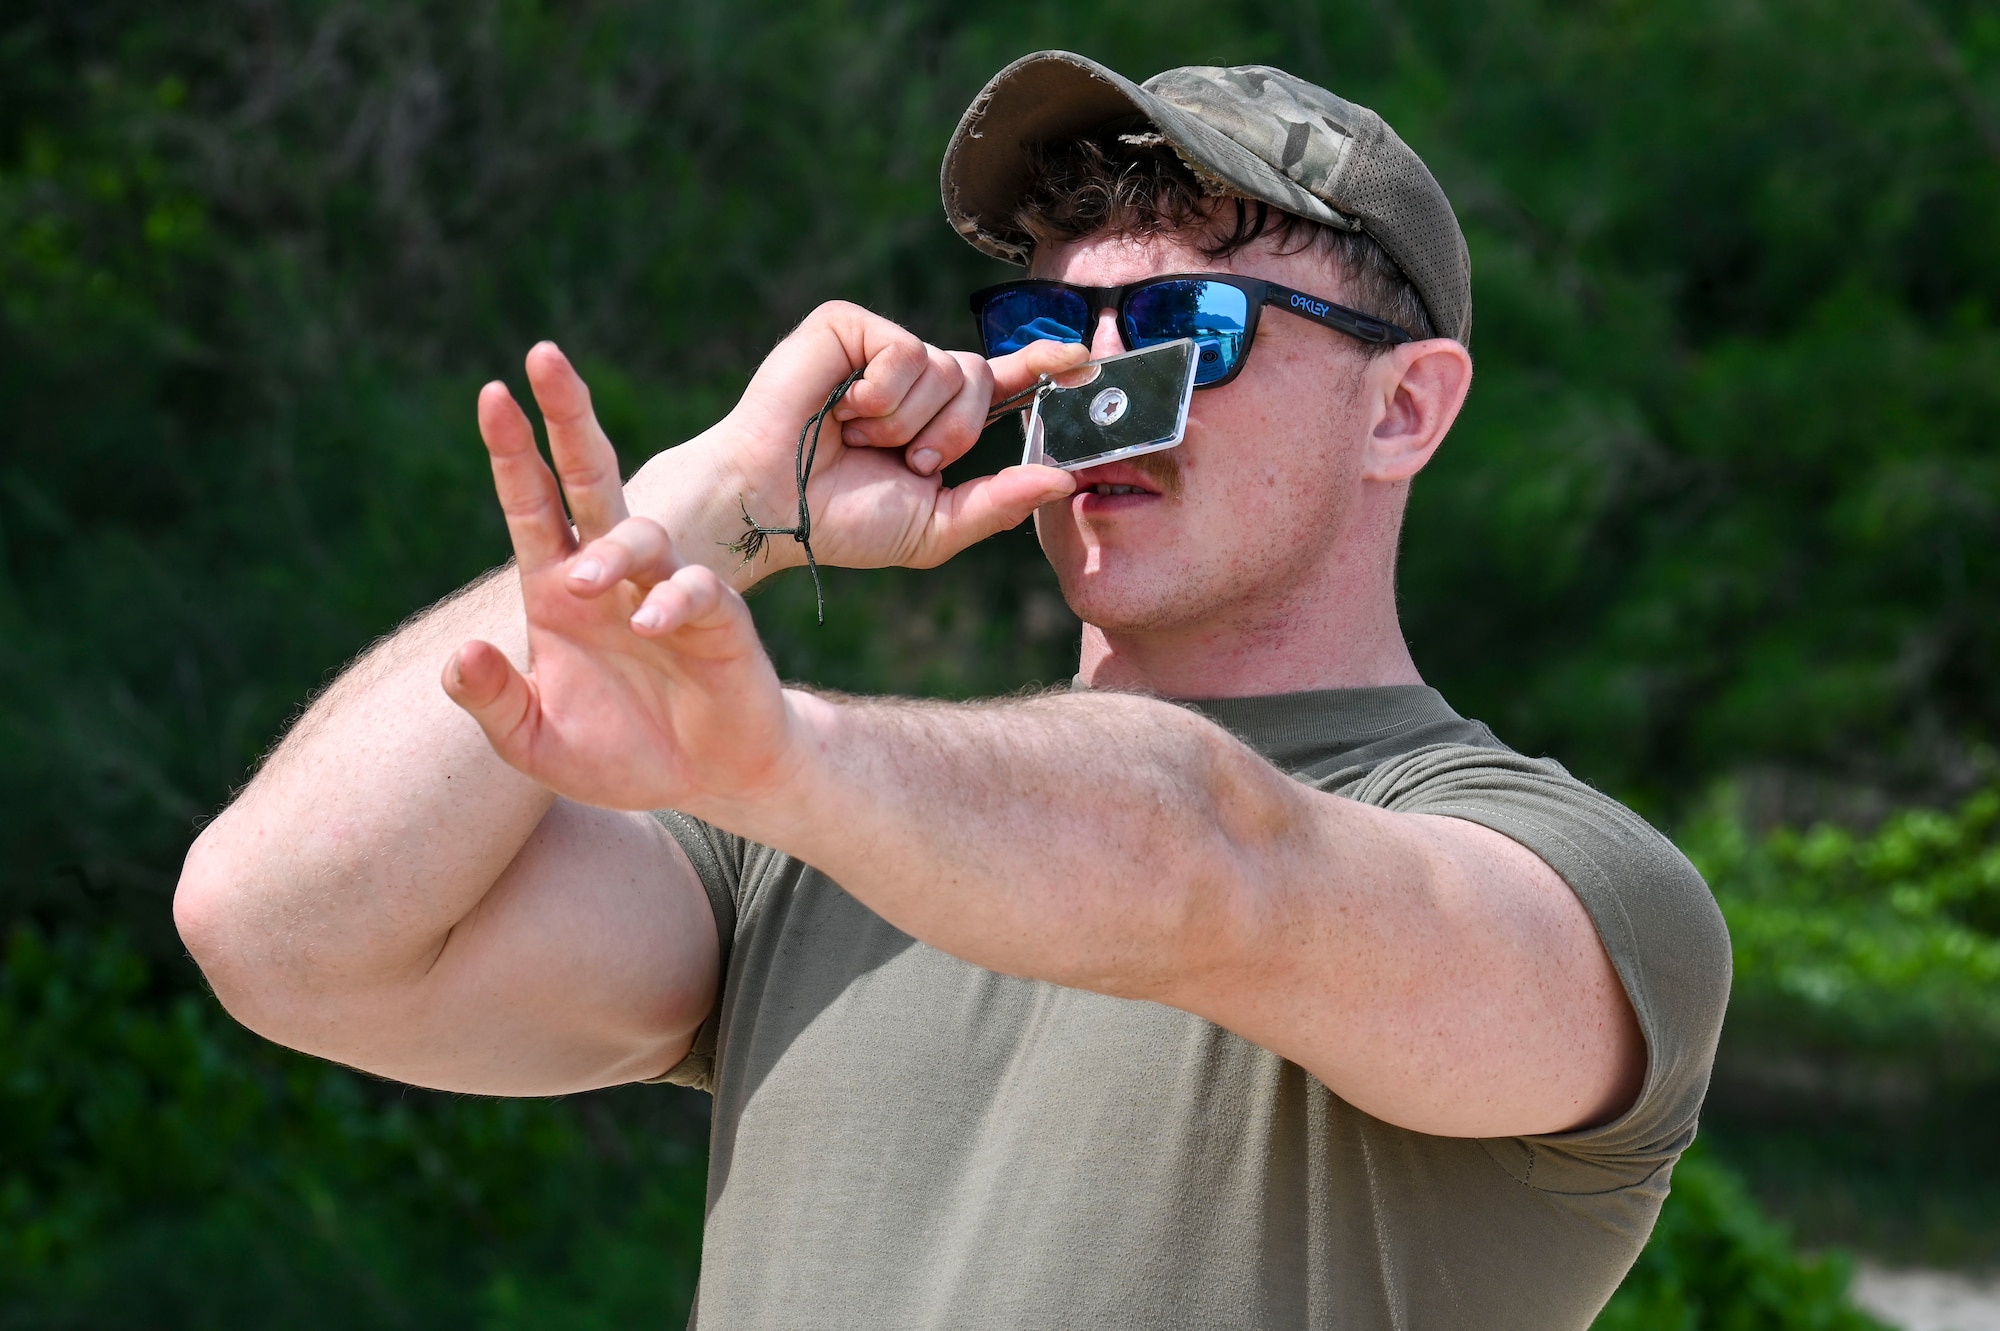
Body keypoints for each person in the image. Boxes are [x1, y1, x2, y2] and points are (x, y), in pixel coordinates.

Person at [173, 51, 1730, 1329]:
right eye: (1052, 329)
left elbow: (1211, 862)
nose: (1098, 394)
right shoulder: (807, 839)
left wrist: (778, 760)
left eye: (1193, 329)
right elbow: (283, 934)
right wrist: (701, 509)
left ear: (1406, 409)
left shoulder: (1575, 885)